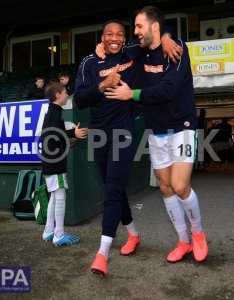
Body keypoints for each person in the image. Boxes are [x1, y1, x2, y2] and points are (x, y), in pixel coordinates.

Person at [74, 19, 181, 276]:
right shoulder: (89, 62)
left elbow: (153, 34)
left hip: (123, 130)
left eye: (119, 34)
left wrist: (167, 38)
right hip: (99, 132)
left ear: (124, 38)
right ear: (101, 37)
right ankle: (133, 234)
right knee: (113, 187)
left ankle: (102, 253)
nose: (114, 38)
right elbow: (79, 99)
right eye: (109, 34)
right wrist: (103, 84)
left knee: (112, 190)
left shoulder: (133, 52)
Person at [105, 6, 208, 264]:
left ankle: (198, 234)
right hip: (157, 130)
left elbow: (169, 89)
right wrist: (102, 48)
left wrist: (134, 94)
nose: (135, 32)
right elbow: (115, 48)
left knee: (180, 186)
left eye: (139, 26)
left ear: (154, 26)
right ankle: (183, 241)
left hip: (182, 126)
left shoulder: (177, 49)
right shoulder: (139, 52)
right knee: (165, 187)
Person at [40, 82, 88, 246]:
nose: (67, 94)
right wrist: (72, 133)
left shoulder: (53, 113)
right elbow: (54, 134)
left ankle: (48, 231)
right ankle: (58, 234)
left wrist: (69, 136)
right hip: (55, 163)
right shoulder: (54, 114)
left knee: (54, 194)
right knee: (59, 195)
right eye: (65, 92)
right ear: (57, 95)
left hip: (50, 161)